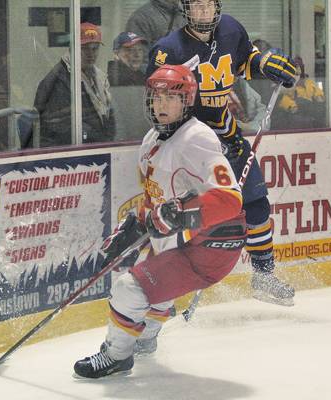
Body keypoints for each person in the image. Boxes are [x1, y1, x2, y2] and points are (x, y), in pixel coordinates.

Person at [73, 64, 247, 379]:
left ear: (187, 101)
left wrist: (180, 212)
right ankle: (147, 336)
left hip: (214, 243)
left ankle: (117, 356)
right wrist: (135, 223)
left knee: (129, 289)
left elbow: (230, 199)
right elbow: (156, 200)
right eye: (156, 97)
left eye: (171, 97)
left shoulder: (197, 138)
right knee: (153, 277)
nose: (161, 104)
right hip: (187, 237)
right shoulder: (151, 139)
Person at [145, 0, 297, 308]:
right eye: (196, 7)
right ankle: (163, 294)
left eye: (207, 7)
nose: (202, 14)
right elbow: (159, 104)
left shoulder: (230, 29)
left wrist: (266, 65)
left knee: (255, 204)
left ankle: (263, 275)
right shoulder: (168, 49)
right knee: (187, 217)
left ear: (217, 7)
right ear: (186, 10)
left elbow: (245, 61)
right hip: (190, 148)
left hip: (228, 137)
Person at [33, 22, 116, 146]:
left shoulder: (98, 77)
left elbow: (108, 115)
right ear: (72, 48)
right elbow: (63, 128)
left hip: (93, 145)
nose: (91, 54)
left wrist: (109, 139)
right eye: (85, 48)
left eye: (95, 48)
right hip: (62, 153)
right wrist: (103, 140)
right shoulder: (58, 81)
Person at [277, 56, 325, 128]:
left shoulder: (310, 83)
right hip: (296, 122)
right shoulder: (287, 86)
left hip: (312, 119)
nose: (299, 76)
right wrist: (295, 107)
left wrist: (318, 99)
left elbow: (320, 98)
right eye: (296, 73)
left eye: (300, 68)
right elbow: (290, 107)